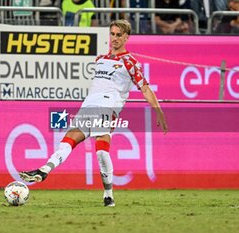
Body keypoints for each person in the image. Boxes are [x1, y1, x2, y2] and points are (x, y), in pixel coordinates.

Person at [20, 19, 168, 207]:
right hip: (88, 106)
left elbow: (145, 88)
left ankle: (108, 195)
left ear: (127, 37)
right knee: (67, 141)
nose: (114, 38)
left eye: (119, 35)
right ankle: (43, 170)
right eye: (112, 34)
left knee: (100, 150)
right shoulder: (100, 60)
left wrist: (159, 111)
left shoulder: (130, 63)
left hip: (107, 106)